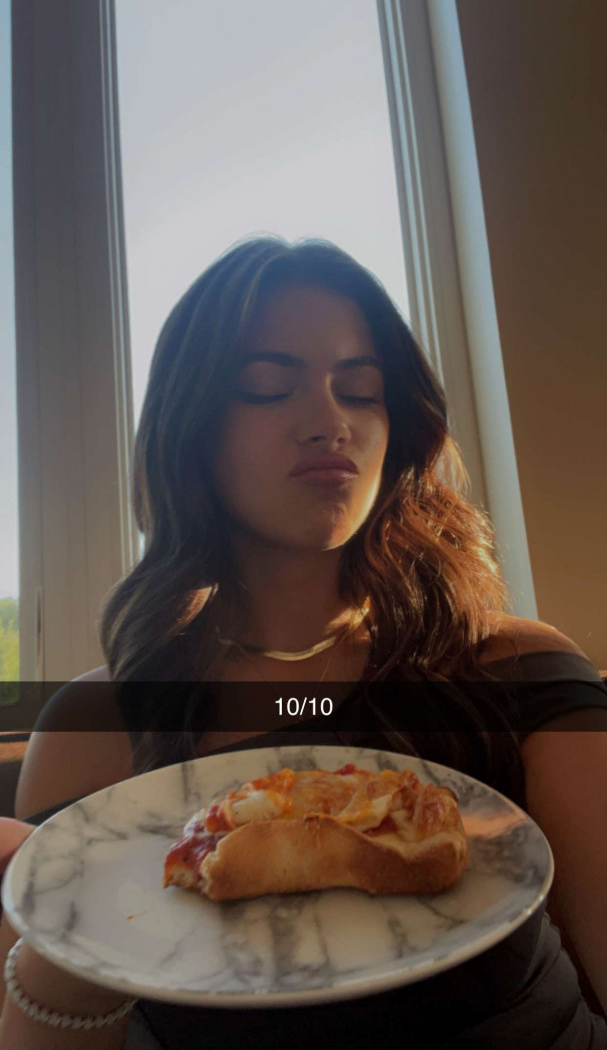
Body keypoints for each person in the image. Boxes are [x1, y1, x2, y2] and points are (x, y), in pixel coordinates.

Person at [1, 234, 607, 1049]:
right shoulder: (96, 723)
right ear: (190, 429)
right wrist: (64, 945)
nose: (330, 422)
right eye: (265, 386)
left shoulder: (520, 668)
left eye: (360, 390)